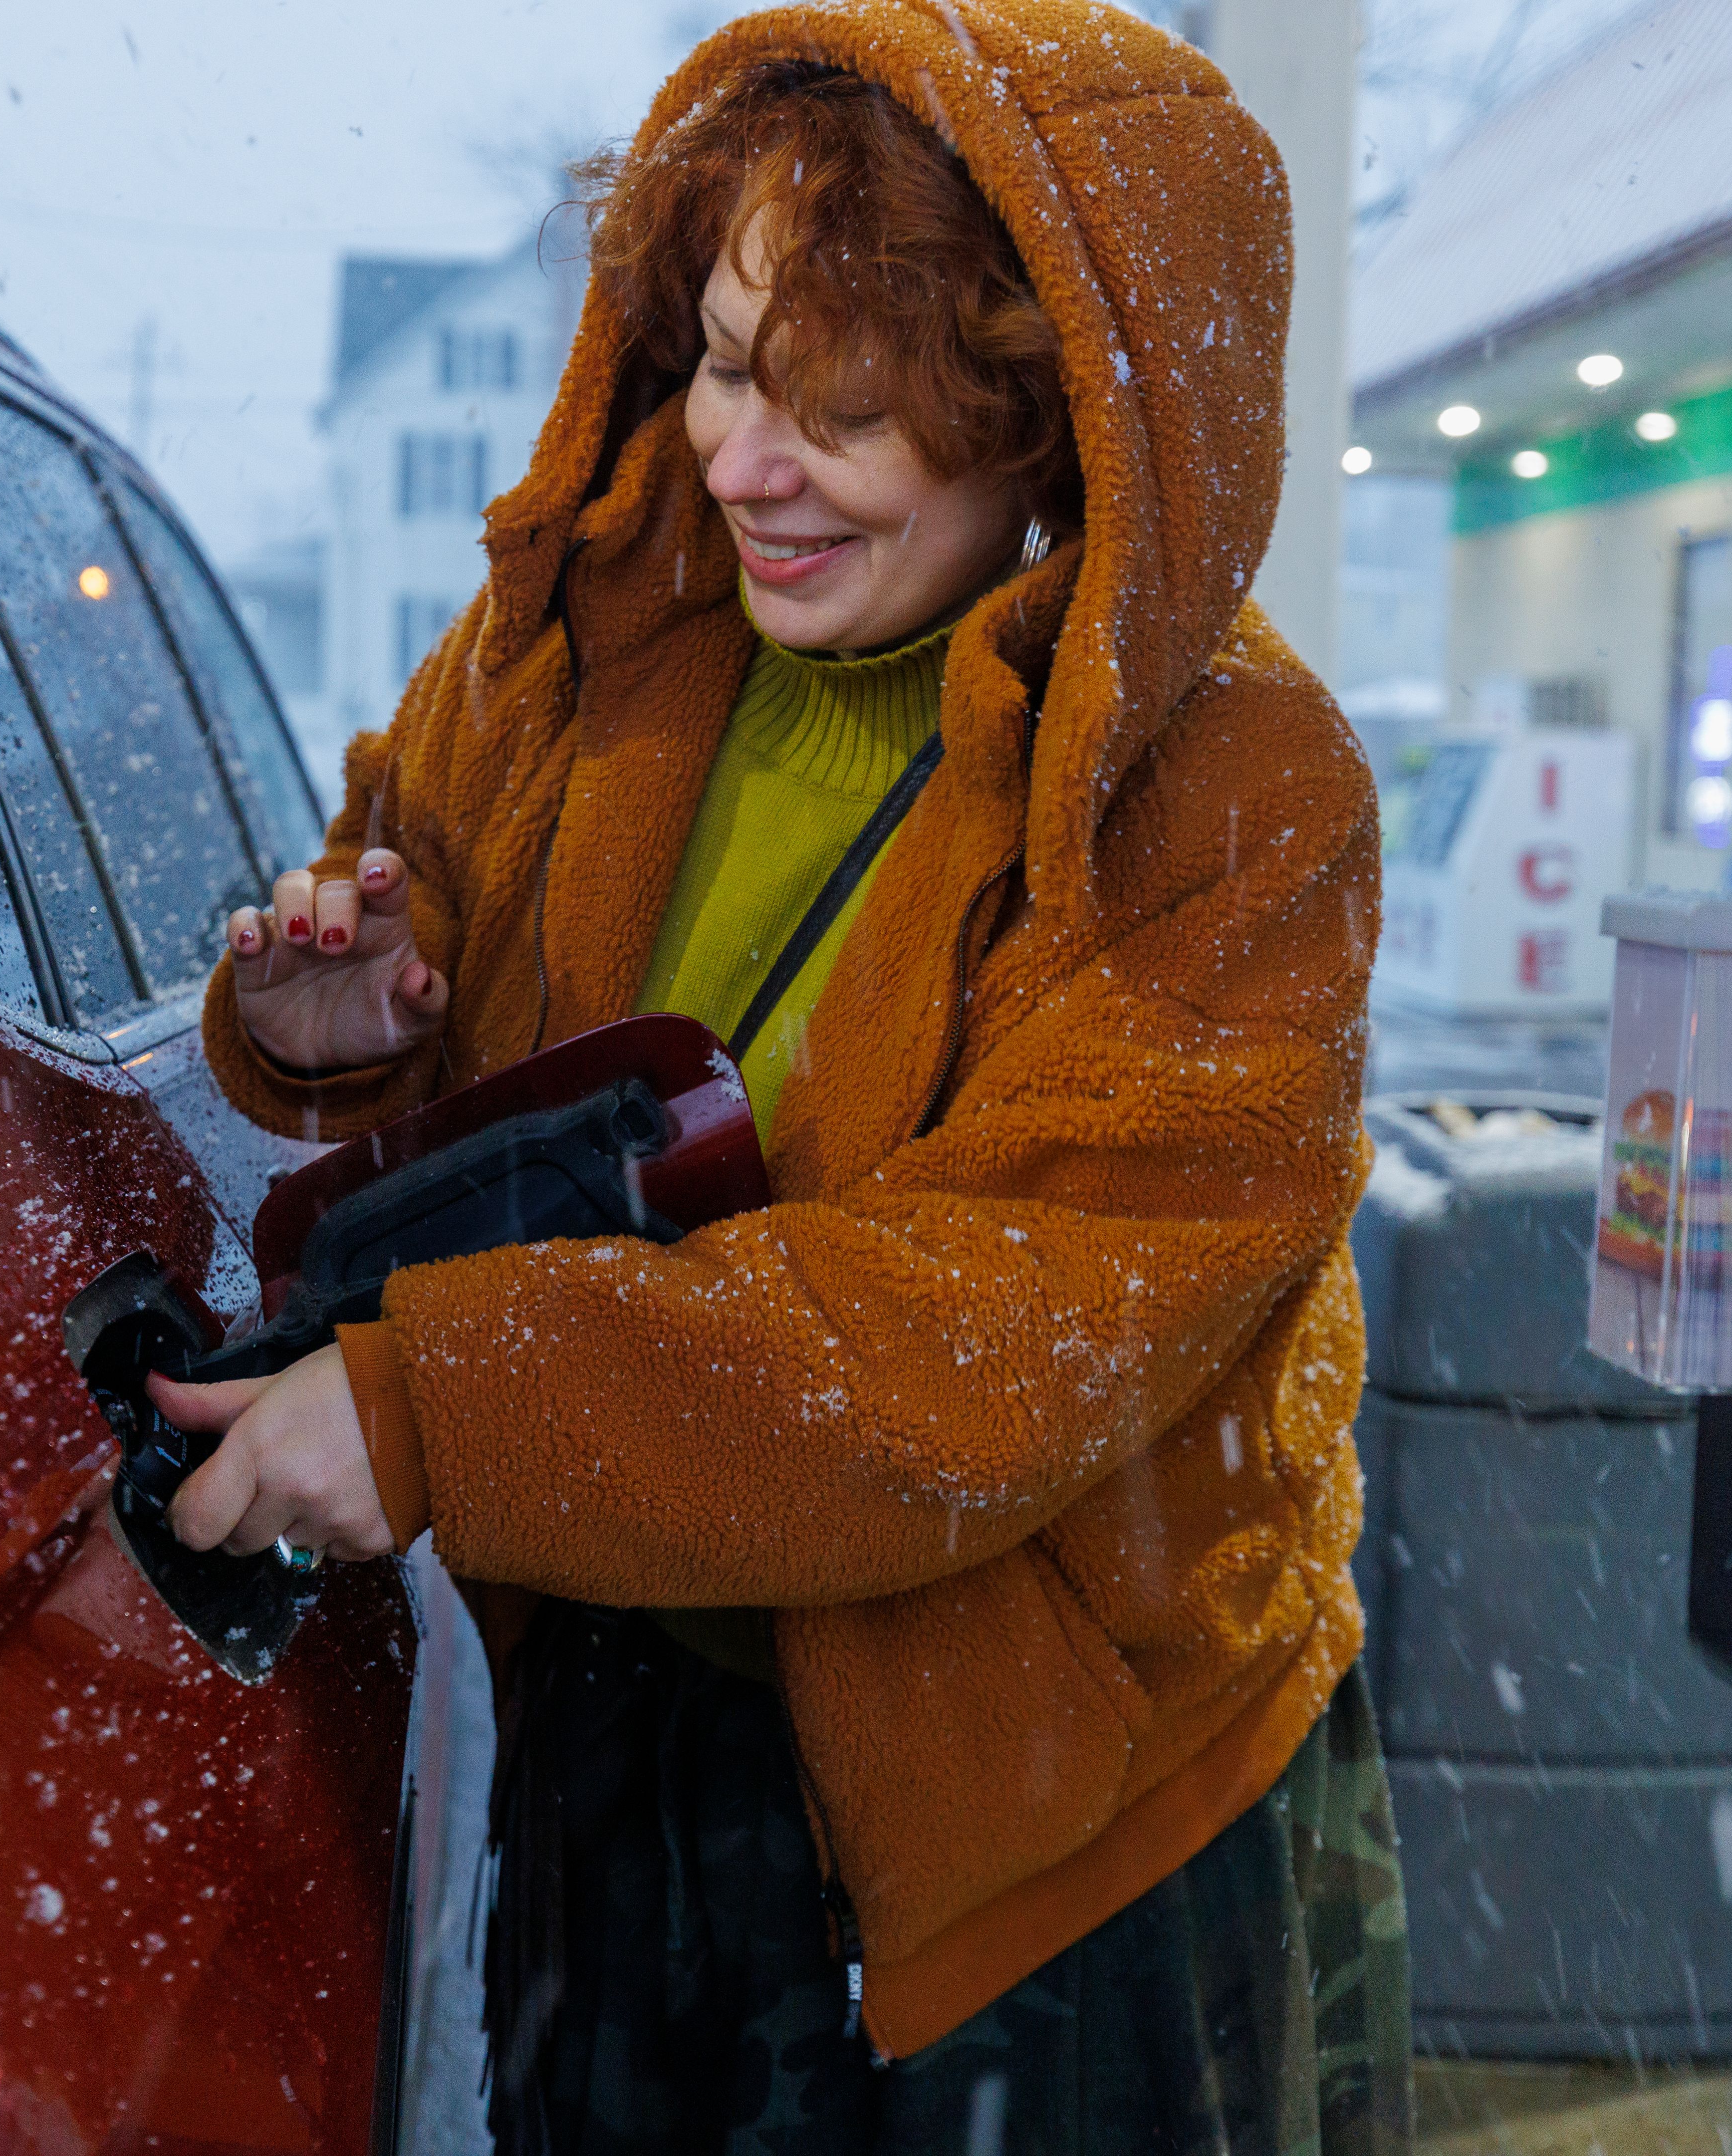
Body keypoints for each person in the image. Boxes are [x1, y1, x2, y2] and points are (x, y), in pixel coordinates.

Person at [149, 3, 1409, 2149]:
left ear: (1052, 423)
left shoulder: (1227, 804)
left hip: (1031, 1832)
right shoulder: (604, 619)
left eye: (845, 410)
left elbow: (993, 1340)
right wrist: (327, 1016)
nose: (742, 463)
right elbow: (422, 887)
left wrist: (451, 1403)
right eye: (730, 363)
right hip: (626, 1722)